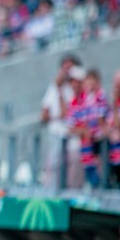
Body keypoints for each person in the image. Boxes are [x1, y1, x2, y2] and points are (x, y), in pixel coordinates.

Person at [40, 54, 82, 189]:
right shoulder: (53, 87)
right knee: (53, 170)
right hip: (55, 136)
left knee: (71, 174)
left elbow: (66, 113)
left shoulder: (76, 88)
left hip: (71, 137)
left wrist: (59, 92)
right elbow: (44, 115)